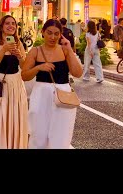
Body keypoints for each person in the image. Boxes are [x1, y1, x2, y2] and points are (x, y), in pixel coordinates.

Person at [21, 19, 83, 149]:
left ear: (61, 34)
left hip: (63, 96)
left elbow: (77, 73)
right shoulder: (35, 51)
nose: (52, 37)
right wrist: (38, 68)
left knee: (61, 134)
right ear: (43, 32)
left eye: (56, 33)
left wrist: (70, 50)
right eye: (49, 33)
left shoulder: (65, 50)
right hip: (41, 95)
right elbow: (24, 75)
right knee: (38, 133)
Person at [0, 14, 28, 149]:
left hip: (15, 82)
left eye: (13, 24)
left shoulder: (18, 42)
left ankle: (12, 144)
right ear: (2, 27)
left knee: (14, 117)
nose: (11, 26)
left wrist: (20, 56)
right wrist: (3, 50)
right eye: (7, 23)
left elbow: (24, 66)